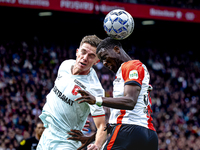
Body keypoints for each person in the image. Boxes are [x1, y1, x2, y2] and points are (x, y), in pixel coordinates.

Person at [70, 37, 158, 150]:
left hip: (129, 131)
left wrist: (96, 100)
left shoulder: (131, 66)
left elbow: (130, 101)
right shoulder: (123, 72)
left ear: (116, 49)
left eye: (105, 57)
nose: (105, 63)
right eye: (101, 60)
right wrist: (93, 137)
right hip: (147, 134)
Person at [36, 35, 107, 150]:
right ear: (77, 52)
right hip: (47, 135)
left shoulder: (93, 88)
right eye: (83, 52)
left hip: (66, 142)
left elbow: (102, 126)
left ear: (96, 61)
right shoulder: (65, 65)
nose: (84, 58)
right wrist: (75, 120)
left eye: (91, 56)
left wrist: (97, 145)